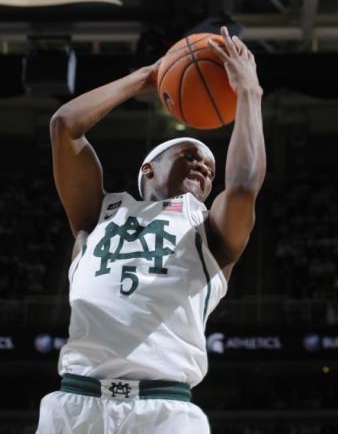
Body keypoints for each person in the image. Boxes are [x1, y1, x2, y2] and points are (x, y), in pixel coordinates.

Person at [37, 26, 265, 433]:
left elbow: (245, 185)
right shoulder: (98, 214)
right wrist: (148, 76)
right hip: (77, 405)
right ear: (149, 168)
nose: (204, 166)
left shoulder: (208, 230)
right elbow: (65, 126)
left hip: (164, 410)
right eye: (189, 153)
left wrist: (249, 93)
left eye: (210, 168)